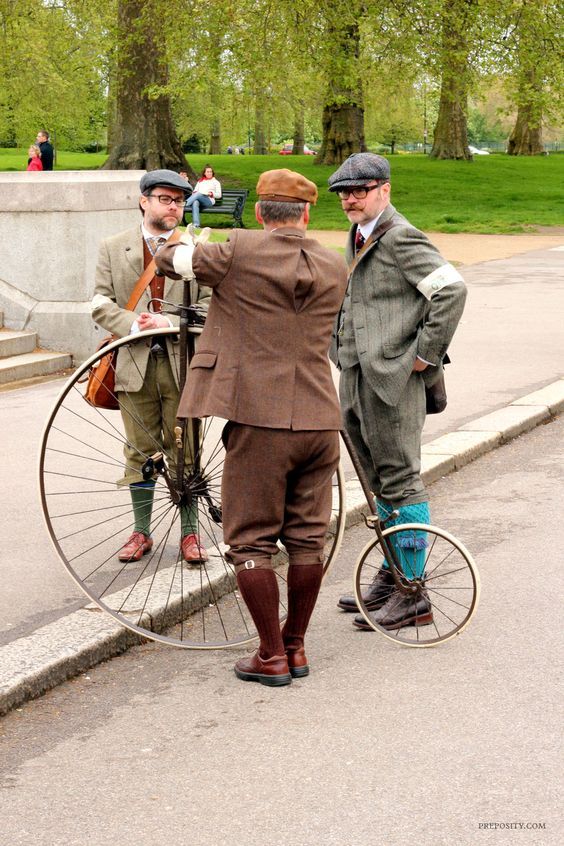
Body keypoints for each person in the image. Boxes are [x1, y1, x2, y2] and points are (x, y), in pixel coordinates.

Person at [155, 169, 348, 686]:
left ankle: (269, 655)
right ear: (307, 214)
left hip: (261, 422)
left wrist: (177, 233)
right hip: (320, 420)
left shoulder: (238, 249)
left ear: (261, 213)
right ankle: (296, 646)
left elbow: (170, 261)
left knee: (250, 541)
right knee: (309, 539)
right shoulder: (335, 263)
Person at [327, 153, 467, 631]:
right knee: (374, 477)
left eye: (359, 190)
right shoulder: (359, 232)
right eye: (343, 192)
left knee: (401, 478)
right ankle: (392, 573)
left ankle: (414, 592)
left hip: (393, 379)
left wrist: (425, 355)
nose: (349, 199)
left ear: (384, 188)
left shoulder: (401, 234)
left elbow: (451, 290)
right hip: (356, 374)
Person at [91, 169, 211, 565]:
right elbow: (99, 303)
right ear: (144, 201)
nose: (173, 205)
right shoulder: (113, 246)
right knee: (138, 450)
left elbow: (213, 308)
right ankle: (141, 531)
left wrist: (170, 323)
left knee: (186, 450)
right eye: (164, 198)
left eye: (179, 200)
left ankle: (190, 534)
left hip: (182, 363)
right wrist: (132, 325)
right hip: (133, 363)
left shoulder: (195, 247)